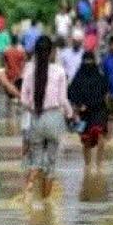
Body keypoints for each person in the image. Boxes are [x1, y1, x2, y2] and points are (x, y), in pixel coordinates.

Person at [20, 36, 74, 203]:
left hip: (36, 117)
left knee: (35, 160)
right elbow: (63, 99)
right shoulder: (59, 71)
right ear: (52, 52)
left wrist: (34, 109)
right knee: (50, 164)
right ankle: (45, 204)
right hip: (54, 118)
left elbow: (23, 100)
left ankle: (29, 192)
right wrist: (71, 114)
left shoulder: (29, 71)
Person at [68, 52, 111, 173]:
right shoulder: (78, 77)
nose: (88, 63)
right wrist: (75, 111)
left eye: (90, 61)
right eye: (86, 61)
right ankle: (87, 166)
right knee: (86, 140)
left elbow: (107, 92)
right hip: (84, 112)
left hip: (99, 110)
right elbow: (72, 94)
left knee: (101, 135)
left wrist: (110, 112)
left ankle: (99, 165)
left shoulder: (101, 76)